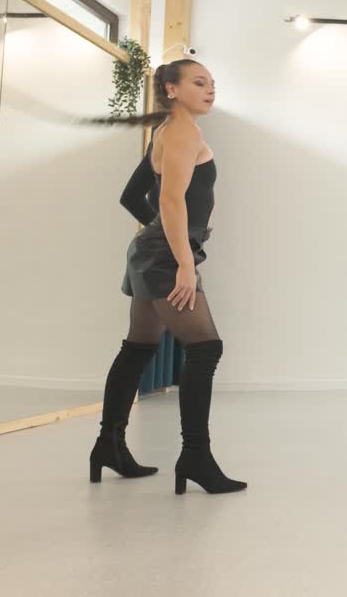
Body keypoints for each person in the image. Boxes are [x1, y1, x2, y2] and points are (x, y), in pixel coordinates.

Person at [88, 58, 246, 495]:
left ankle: (108, 446)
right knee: (205, 348)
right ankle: (195, 456)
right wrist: (183, 262)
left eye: (212, 83)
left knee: (138, 348)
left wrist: (160, 237)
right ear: (172, 89)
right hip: (165, 257)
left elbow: (131, 197)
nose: (210, 89)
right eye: (199, 82)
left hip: (154, 251)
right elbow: (171, 202)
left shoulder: (168, 131)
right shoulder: (181, 133)